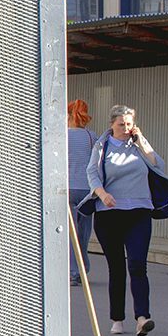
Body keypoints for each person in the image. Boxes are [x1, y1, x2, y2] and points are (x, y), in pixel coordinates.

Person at [88, 104, 165, 336]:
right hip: (109, 213)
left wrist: (141, 141)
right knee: (117, 268)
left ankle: (142, 317)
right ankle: (117, 319)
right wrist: (102, 194)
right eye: (121, 124)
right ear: (112, 124)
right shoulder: (102, 145)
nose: (125, 128)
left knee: (138, 265)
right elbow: (92, 172)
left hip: (139, 211)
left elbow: (158, 165)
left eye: (129, 124)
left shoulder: (138, 145)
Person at [67, 99, 97, 287]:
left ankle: (73, 271)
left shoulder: (62, 136)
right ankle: (83, 268)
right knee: (84, 233)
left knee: (71, 232)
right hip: (87, 189)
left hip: (68, 189)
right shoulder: (91, 136)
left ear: (68, 115)